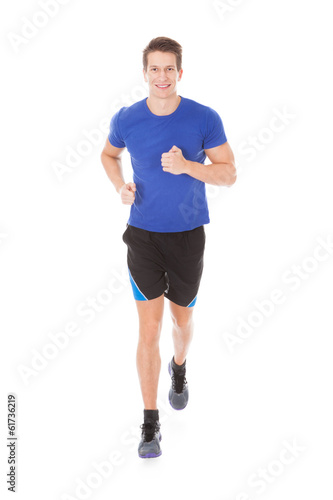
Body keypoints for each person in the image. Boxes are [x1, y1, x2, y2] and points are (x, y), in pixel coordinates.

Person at [100, 36, 236, 458]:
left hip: (187, 237)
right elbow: (108, 155)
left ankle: (179, 368)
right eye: (154, 69)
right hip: (142, 237)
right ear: (145, 73)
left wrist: (188, 166)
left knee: (181, 324)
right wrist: (120, 186)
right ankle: (149, 423)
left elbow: (229, 173)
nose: (162, 76)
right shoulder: (127, 118)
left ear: (180, 72)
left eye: (169, 69)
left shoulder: (203, 117)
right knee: (148, 330)